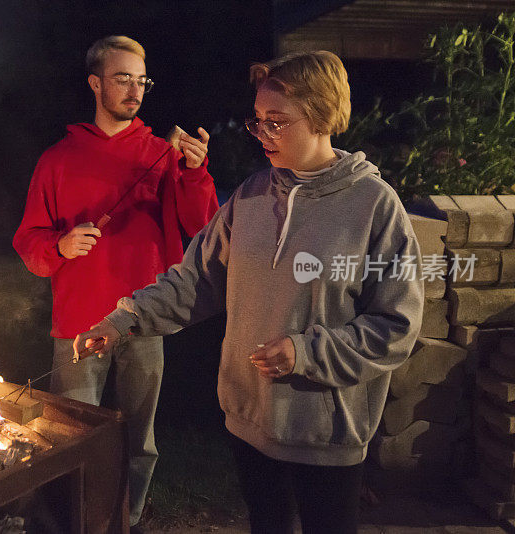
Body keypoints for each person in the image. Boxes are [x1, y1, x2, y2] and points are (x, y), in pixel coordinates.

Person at [74, 50, 424, 534]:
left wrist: (306, 352)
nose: (263, 134)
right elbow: (194, 280)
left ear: (322, 117)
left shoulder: (374, 207)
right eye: (258, 121)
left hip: (326, 432)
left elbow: (395, 326)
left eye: (276, 122)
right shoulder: (252, 196)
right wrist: (123, 321)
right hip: (249, 421)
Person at [12, 35, 218, 529]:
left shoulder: (160, 153)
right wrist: (59, 246)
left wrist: (195, 170)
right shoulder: (58, 159)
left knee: (139, 440)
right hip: (78, 320)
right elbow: (29, 240)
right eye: (123, 78)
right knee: (70, 436)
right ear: (95, 83)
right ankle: (72, 522)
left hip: (143, 319)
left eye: (141, 80)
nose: (135, 89)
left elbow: (203, 224)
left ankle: (125, 521)